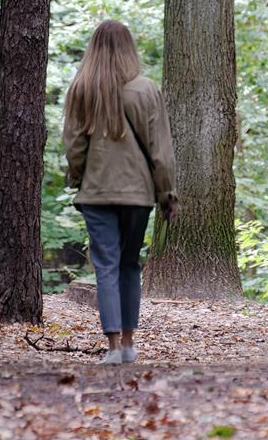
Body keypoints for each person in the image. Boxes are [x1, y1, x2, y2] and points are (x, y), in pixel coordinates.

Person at [63, 20, 177, 364]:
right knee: (129, 265)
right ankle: (128, 343)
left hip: (97, 192)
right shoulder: (145, 90)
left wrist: (79, 177)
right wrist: (167, 192)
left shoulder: (83, 88)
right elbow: (161, 150)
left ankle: (112, 346)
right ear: (129, 48)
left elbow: (74, 147)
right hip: (137, 194)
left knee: (106, 266)